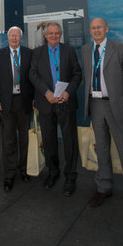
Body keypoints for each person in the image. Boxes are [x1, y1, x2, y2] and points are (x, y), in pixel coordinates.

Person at [82, 17, 123, 223]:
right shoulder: (85, 49)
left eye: (100, 27)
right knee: (101, 148)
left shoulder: (120, 48)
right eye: (93, 28)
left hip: (117, 106)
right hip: (96, 105)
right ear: (90, 31)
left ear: (106, 29)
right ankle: (104, 187)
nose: (96, 30)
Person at [29, 21, 82, 197]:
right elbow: (33, 74)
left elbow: (77, 74)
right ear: (45, 35)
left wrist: (68, 92)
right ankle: (53, 172)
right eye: (50, 33)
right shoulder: (37, 52)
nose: (53, 36)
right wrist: (46, 93)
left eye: (57, 33)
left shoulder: (69, 51)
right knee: (49, 140)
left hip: (66, 102)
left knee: (69, 141)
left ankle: (70, 176)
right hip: (46, 103)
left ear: (61, 35)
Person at [0, 26, 34, 192]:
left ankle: (24, 169)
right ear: (7, 37)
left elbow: (34, 78)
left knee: (25, 137)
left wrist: (34, 99)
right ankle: (9, 173)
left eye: (17, 36)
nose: (14, 38)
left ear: (21, 38)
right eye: (11, 35)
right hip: (7, 102)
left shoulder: (29, 53)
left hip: (24, 102)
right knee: (8, 138)